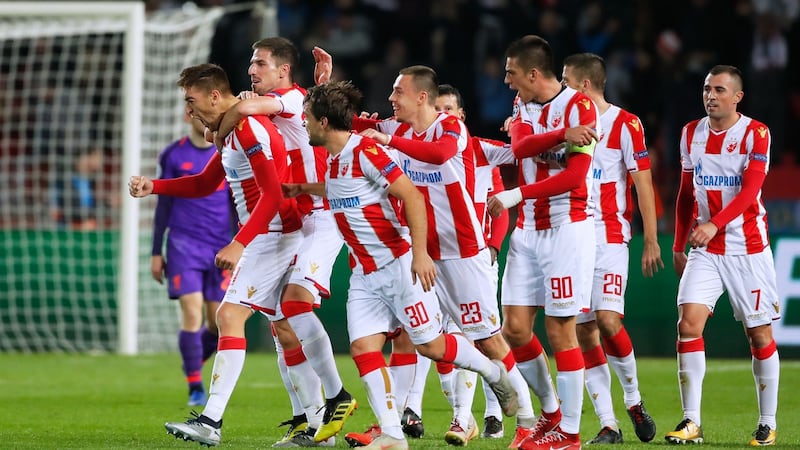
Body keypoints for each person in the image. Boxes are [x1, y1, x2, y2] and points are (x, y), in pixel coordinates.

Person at [287, 80, 519, 450]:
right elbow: (345, 192)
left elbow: (410, 194)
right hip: (364, 274)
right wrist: (303, 189)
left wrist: (421, 253)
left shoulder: (366, 152)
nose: (303, 123)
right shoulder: (334, 159)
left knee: (431, 346)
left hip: (399, 264)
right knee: (364, 348)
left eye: (307, 117)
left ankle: (491, 371)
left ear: (325, 123)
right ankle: (392, 434)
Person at [350, 65, 535, 448]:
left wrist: (388, 142)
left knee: (489, 340)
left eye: (398, 92)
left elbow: (439, 154)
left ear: (422, 97)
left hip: (464, 251)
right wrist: (318, 89)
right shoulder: (397, 129)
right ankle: (391, 426)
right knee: (414, 339)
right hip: (422, 254)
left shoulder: (451, 129)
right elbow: (347, 124)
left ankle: (529, 421)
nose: (390, 98)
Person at [129, 63, 304, 447]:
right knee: (287, 331)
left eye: (192, 102)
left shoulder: (249, 128)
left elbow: (273, 195)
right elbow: (206, 182)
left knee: (228, 315)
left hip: (272, 234)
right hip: (268, 234)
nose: (189, 112)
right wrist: (153, 186)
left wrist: (239, 242)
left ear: (213, 95)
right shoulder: (228, 134)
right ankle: (313, 420)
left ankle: (211, 421)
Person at [215, 38, 356, 447]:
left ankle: (337, 397)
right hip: (303, 218)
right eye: (250, 63)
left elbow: (240, 110)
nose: (251, 70)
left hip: (326, 214)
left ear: (282, 71)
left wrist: (216, 124)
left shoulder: (290, 100)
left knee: (293, 305)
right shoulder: (290, 103)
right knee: (282, 324)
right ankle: (313, 425)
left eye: (260, 63)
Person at [487, 35, 601, 450]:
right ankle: (551, 413)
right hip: (528, 231)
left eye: (511, 73)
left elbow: (574, 177)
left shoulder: (581, 106)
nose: (506, 81)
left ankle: (569, 434)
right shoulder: (523, 106)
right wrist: (560, 135)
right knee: (514, 328)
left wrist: (516, 194)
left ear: (533, 73)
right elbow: (519, 146)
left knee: (560, 329)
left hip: (566, 229)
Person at [666, 64, 780, 447]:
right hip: (706, 250)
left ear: (737, 97)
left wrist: (715, 223)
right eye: (706, 89)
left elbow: (750, 192)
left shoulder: (756, 133)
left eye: (718, 90)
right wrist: (679, 242)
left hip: (748, 249)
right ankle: (691, 422)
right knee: (688, 324)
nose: (710, 96)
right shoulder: (689, 134)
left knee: (759, 333)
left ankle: (767, 422)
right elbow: (685, 194)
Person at [560, 52, 662, 444]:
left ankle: (633, 400)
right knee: (583, 331)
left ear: (585, 85)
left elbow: (642, 181)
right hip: (572, 236)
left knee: (608, 321)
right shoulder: (564, 124)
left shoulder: (625, 123)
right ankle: (608, 422)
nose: (561, 88)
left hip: (611, 237)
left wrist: (650, 237)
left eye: (566, 81)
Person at [151, 110, 233, 407]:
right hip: (183, 244)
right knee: (191, 311)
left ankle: (192, 362)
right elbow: (163, 206)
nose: (205, 121)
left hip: (219, 246)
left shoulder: (227, 152)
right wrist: (155, 252)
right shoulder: (174, 155)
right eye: (198, 115)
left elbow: (235, 202)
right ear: (189, 117)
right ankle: (195, 385)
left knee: (216, 323)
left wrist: (239, 242)